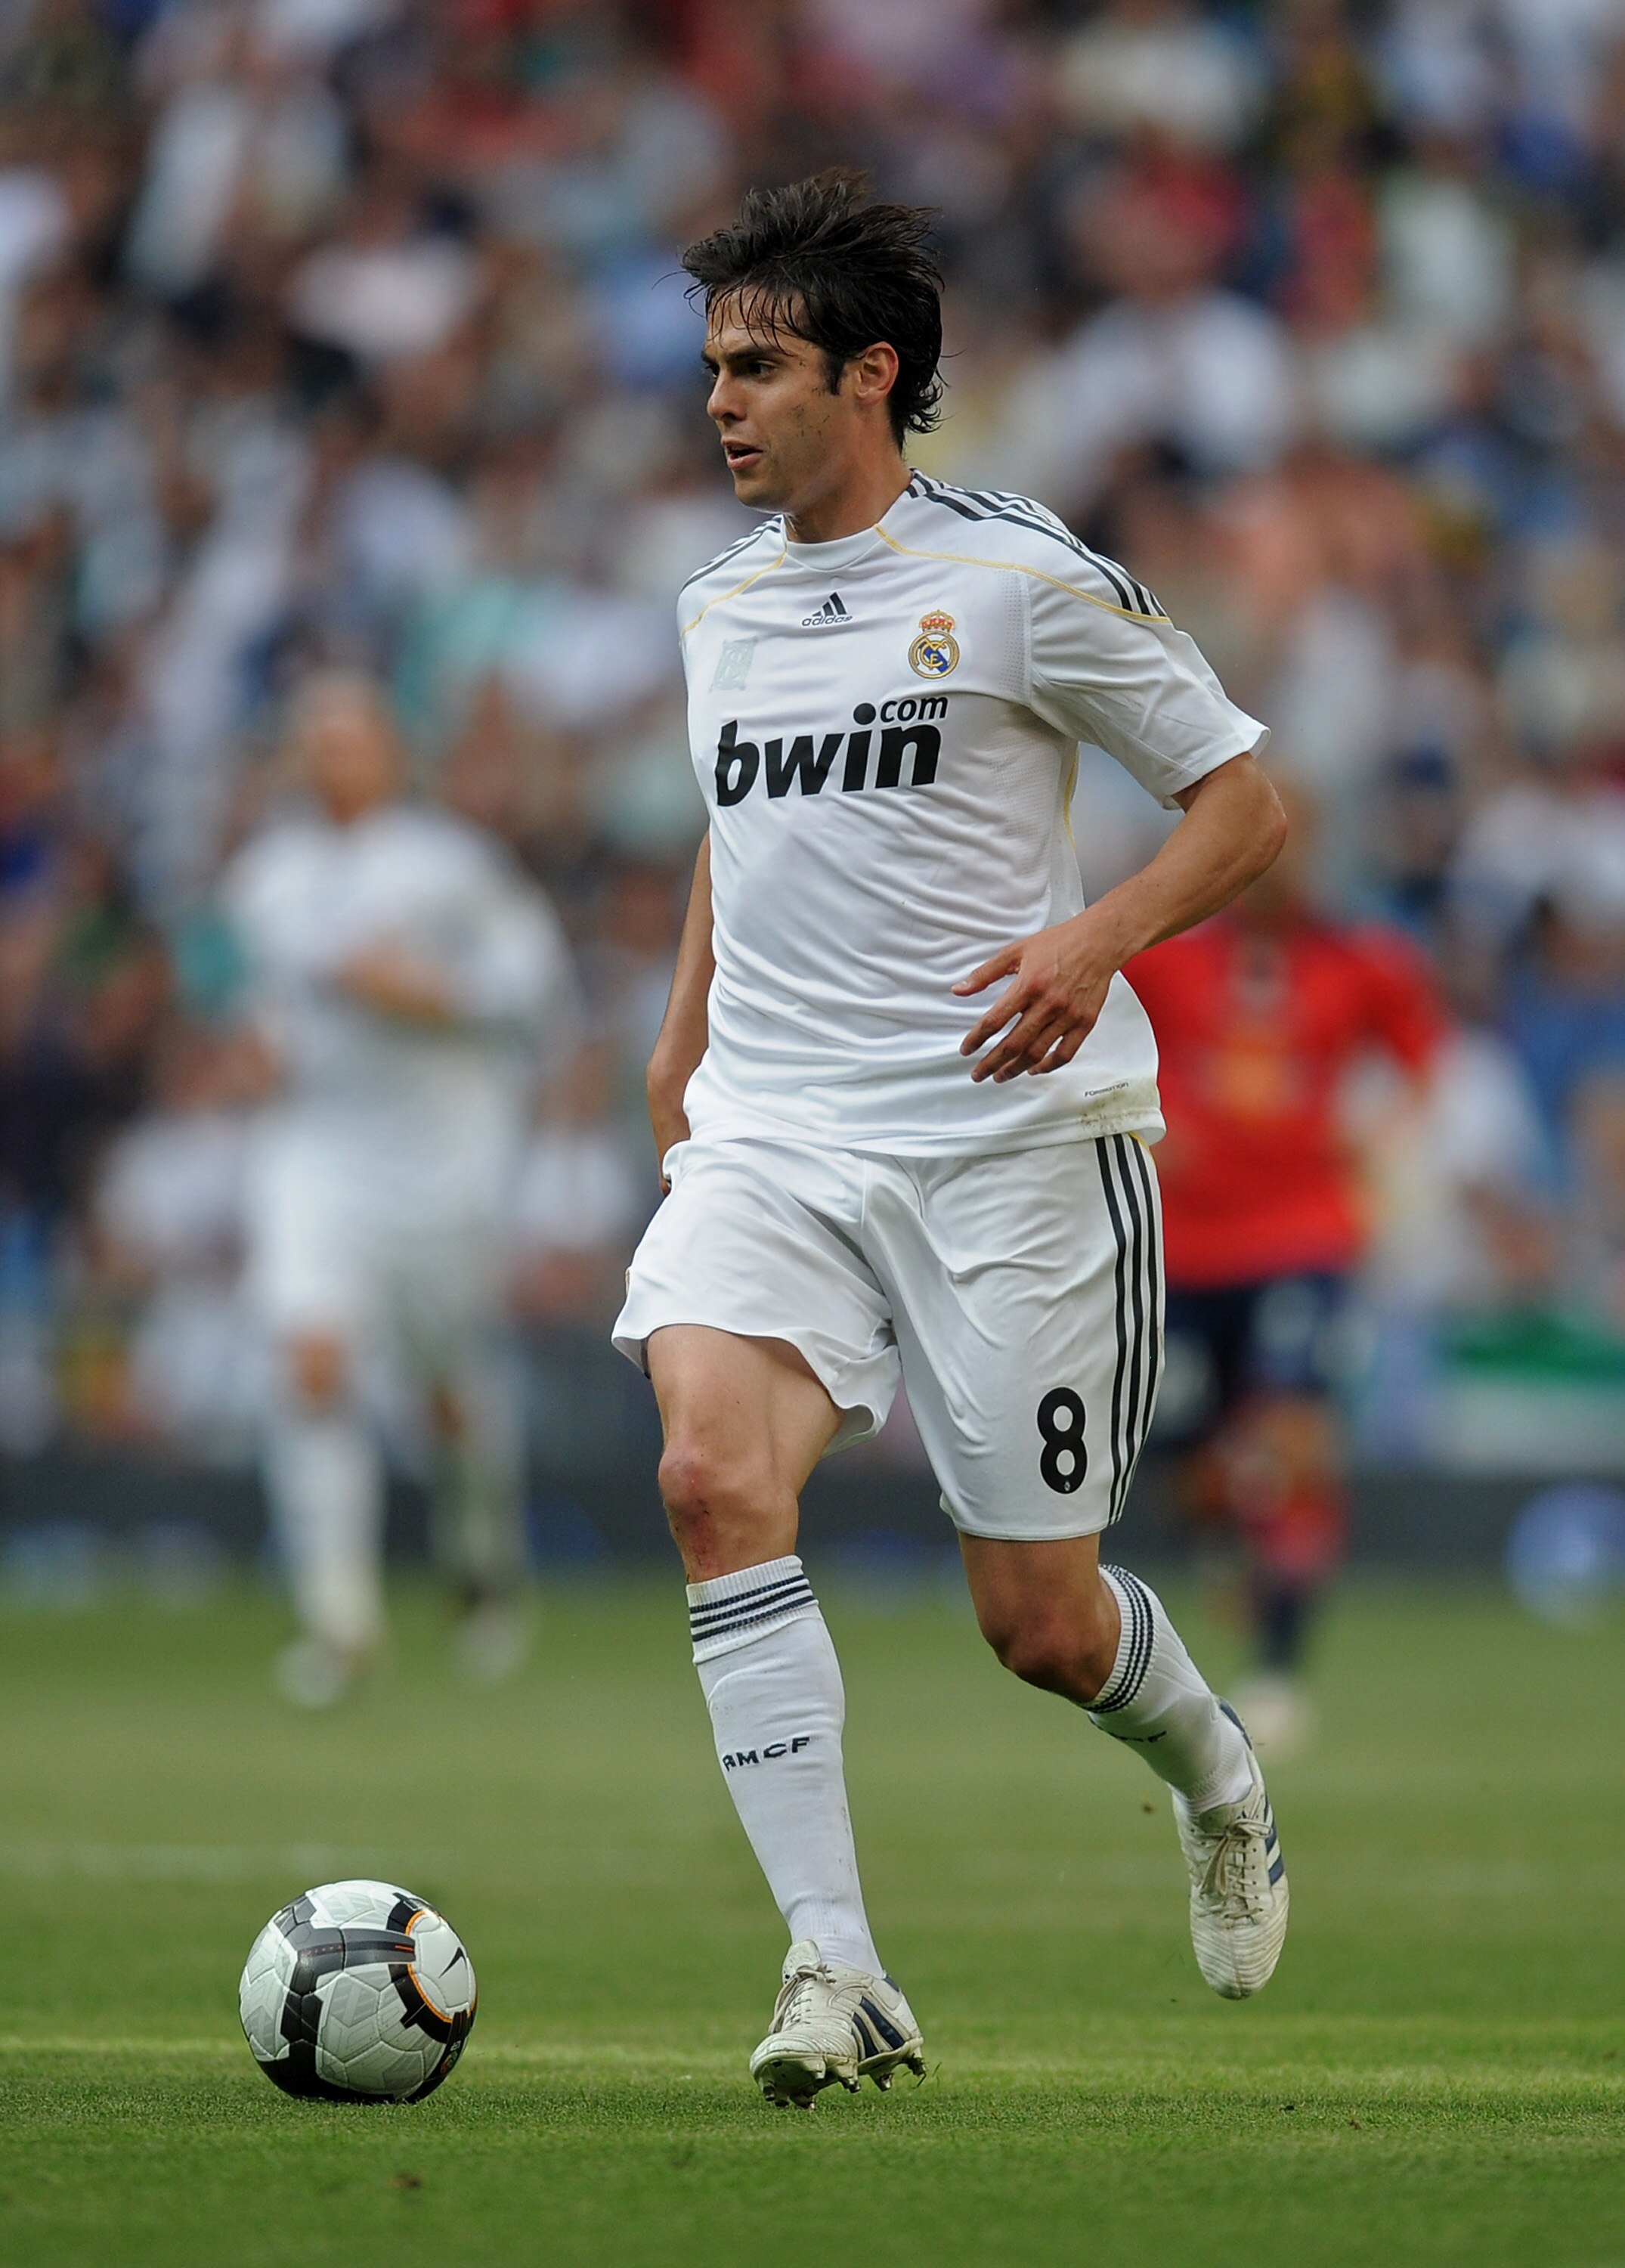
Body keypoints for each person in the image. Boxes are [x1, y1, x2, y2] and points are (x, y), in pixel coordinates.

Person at [611, 174, 1292, 2110]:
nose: (721, 403)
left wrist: (1096, 937)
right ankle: (837, 1966)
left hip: (1012, 1145)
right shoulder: (715, 602)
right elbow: (737, 841)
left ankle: (1220, 1778)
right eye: (713, 367)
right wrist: (679, 1054)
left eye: (759, 367)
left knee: (1038, 1622)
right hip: (779, 1135)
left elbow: (1243, 803)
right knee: (706, 1475)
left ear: (873, 373)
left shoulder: (1013, 576)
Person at [224, 671, 574, 1706]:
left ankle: (483, 1558)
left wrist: (430, 994)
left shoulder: (453, 865)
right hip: (316, 1150)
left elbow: (532, 989)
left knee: (446, 1392)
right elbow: (263, 1016)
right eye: (314, 738)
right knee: (312, 1360)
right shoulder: (264, 877)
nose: (330, 757)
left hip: (443, 1158)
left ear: (390, 749)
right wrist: (255, 1057)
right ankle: (339, 1621)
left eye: (349, 737)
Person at [1128, 785, 1444, 1752]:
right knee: (1186, 1451)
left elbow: (1423, 1064)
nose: (1275, 860)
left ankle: (1276, 1667)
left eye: (1293, 841)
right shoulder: (1166, 962)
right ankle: (1230, 1554)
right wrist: (1142, 1132)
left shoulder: (1363, 963)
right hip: (1184, 1248)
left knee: (1287, 1434)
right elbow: (1091, 1058)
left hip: (1301, 1237)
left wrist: (1376, 1138)